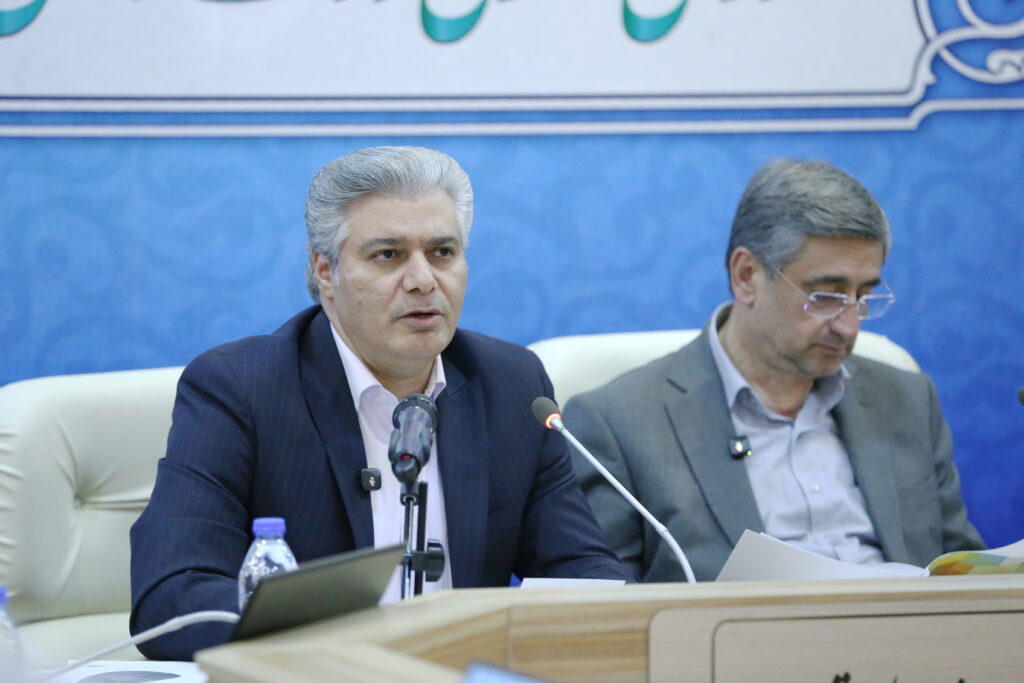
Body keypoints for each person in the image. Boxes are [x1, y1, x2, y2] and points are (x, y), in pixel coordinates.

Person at [130, 146, 631, 660]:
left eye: (442, 252)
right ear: (326, 271)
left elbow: (582, 570)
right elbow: (173, 594)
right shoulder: (241, 388)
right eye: (388, 255)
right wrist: (347, 644)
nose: (423, 280)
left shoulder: (510, 384)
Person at [564, 158, 985, 583]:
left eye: (863, 297)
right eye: (826, 296)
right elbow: (607, 605)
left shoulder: (907, 400)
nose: (849, 326)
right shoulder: (620, 424)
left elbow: (965, 575)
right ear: (747, 276)